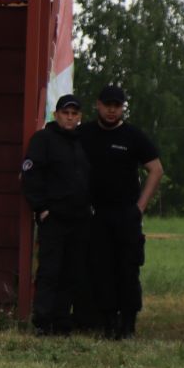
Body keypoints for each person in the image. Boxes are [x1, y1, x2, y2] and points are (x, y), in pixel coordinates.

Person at [78, 84, 163, 339]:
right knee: (100, 269)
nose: (112, 110)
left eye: (117, 106)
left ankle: (128, 323)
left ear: (122, 108)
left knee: (127, 268)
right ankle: (107, 321)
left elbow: (156, 169)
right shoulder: (84, 134)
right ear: (98, 105)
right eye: (108, 105)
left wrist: (140, 206)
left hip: (126, 214)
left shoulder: (133, 136)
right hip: (95, 214)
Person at [21, 93, 91, 334]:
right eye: (65, 113)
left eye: (74, 114)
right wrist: (41, 208)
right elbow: (30, 174)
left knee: (72, 271)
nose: (70, 118)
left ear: (80, 117)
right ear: (56, 114)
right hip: (54, 216)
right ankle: (42, 321)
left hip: (80, 217)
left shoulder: (83, 142)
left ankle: (62, 321)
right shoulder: (43, 139)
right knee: (50, 270)